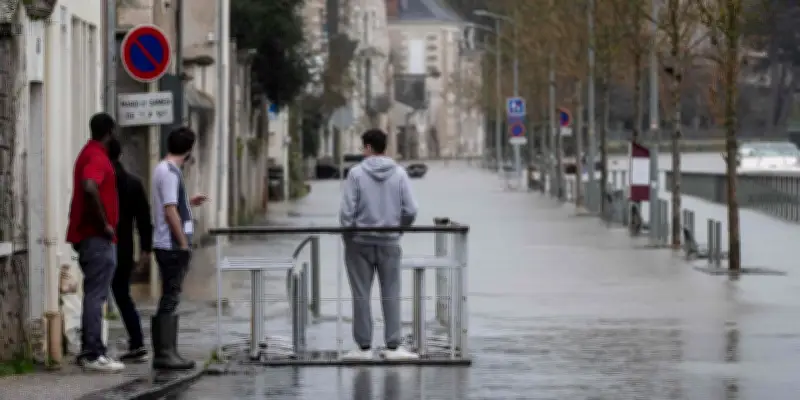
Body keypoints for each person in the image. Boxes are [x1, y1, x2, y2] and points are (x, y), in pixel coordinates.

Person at [339, 129, 419, 361]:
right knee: (391, 292)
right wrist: (398, 229)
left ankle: (364, 347)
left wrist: (350, 235)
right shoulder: (400, 174)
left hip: (360, 243)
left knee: (361, 294)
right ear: (385, 147)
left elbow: (346, 214)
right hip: (390, 242)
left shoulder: (355, 174)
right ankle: (393, 346)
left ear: (368, 148)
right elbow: (411, 210)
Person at [66, 112, 123, 372]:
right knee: (96, 295)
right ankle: (93, 353)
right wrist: (105, 225)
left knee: (94, 293)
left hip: (91, 236)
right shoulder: (97, 157)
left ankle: (92, 350)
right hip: (97, 237)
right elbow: (90, 186)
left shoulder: (87, 153)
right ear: (109, 132)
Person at [150, 127, 207, 370]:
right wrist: (183, 243)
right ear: (189, 150)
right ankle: (165, 353)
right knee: (170, 297)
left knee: (168, 295)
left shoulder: (162, 169)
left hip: (164, 243)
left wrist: (189, 202)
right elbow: (170, 210)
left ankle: (167, 351)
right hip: (171, 245)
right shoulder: (171, 173)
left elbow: (172, 204)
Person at [107, 138, 153, 363]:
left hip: (102, 244)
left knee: (95, 295)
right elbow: (145, 220)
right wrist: (145, 251)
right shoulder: (134, 183)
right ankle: (137, 342)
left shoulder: (102, 181)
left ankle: (93, 346)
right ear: (121, 155)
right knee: (123, 296)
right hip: (125, 247)